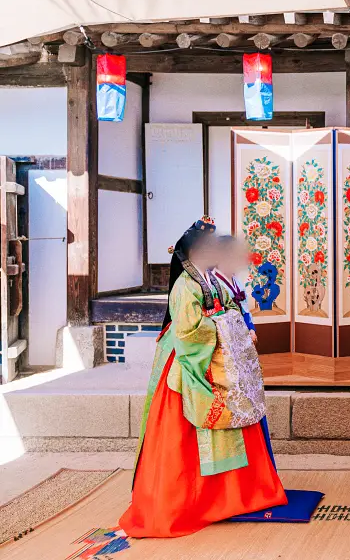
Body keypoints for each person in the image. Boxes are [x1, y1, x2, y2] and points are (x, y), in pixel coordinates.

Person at [119, 216, 285, 538]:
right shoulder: (185, 285)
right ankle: (193, 501)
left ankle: (231, 497)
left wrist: (235, 324)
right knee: (186, 433)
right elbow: (188, 330)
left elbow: (230, 308)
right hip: (190, 361)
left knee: (235, 415)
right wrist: (225, 326)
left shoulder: (211, 279)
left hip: (219, 356)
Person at [212, 235, 257, 347]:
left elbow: (245, 310)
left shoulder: (236, 280)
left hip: (242, 332)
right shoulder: (213, 283)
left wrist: (251, 329)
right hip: (225, 338)